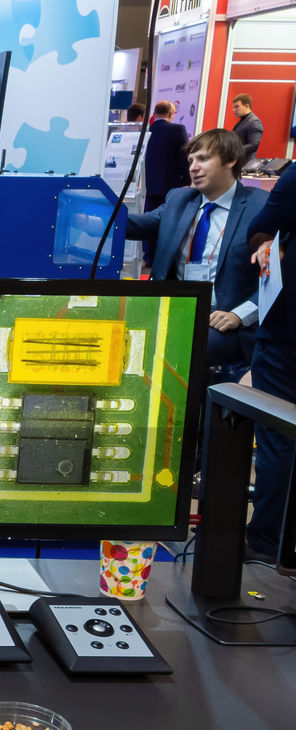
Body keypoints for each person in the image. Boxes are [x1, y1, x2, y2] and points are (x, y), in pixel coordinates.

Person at [126, 128, 264, 377]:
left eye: (203, 159)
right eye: (191, 160)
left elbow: (281, 276)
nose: (193, 167)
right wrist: (95, 218)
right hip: (174, 308)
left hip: (225, 322)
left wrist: (240, 315)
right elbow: (141, 224)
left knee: (175, 347)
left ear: (230, 159)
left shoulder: (259, 206)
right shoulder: (180, 199)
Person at [244, 165, 296, 562]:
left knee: (281, 438)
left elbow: (262, 227)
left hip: (287, 337)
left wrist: (266, 241)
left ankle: (267, 546)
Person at [144, 101, 190, 213]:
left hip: (149, 187)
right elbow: (185, 156)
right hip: (171, 187)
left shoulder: (146, 131)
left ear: (154, 114)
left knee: (148, 222)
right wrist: (187, 180)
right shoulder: (177, 129)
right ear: (171, 114)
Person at [231, 93, 264, 166]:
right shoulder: (243, 120)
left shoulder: (254, 122)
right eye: (233, 107)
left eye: (237, 107)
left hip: (245, 165)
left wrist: (233, 151)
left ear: (246, 106)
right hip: (238, 163)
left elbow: (253, 145)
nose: (234, 110)